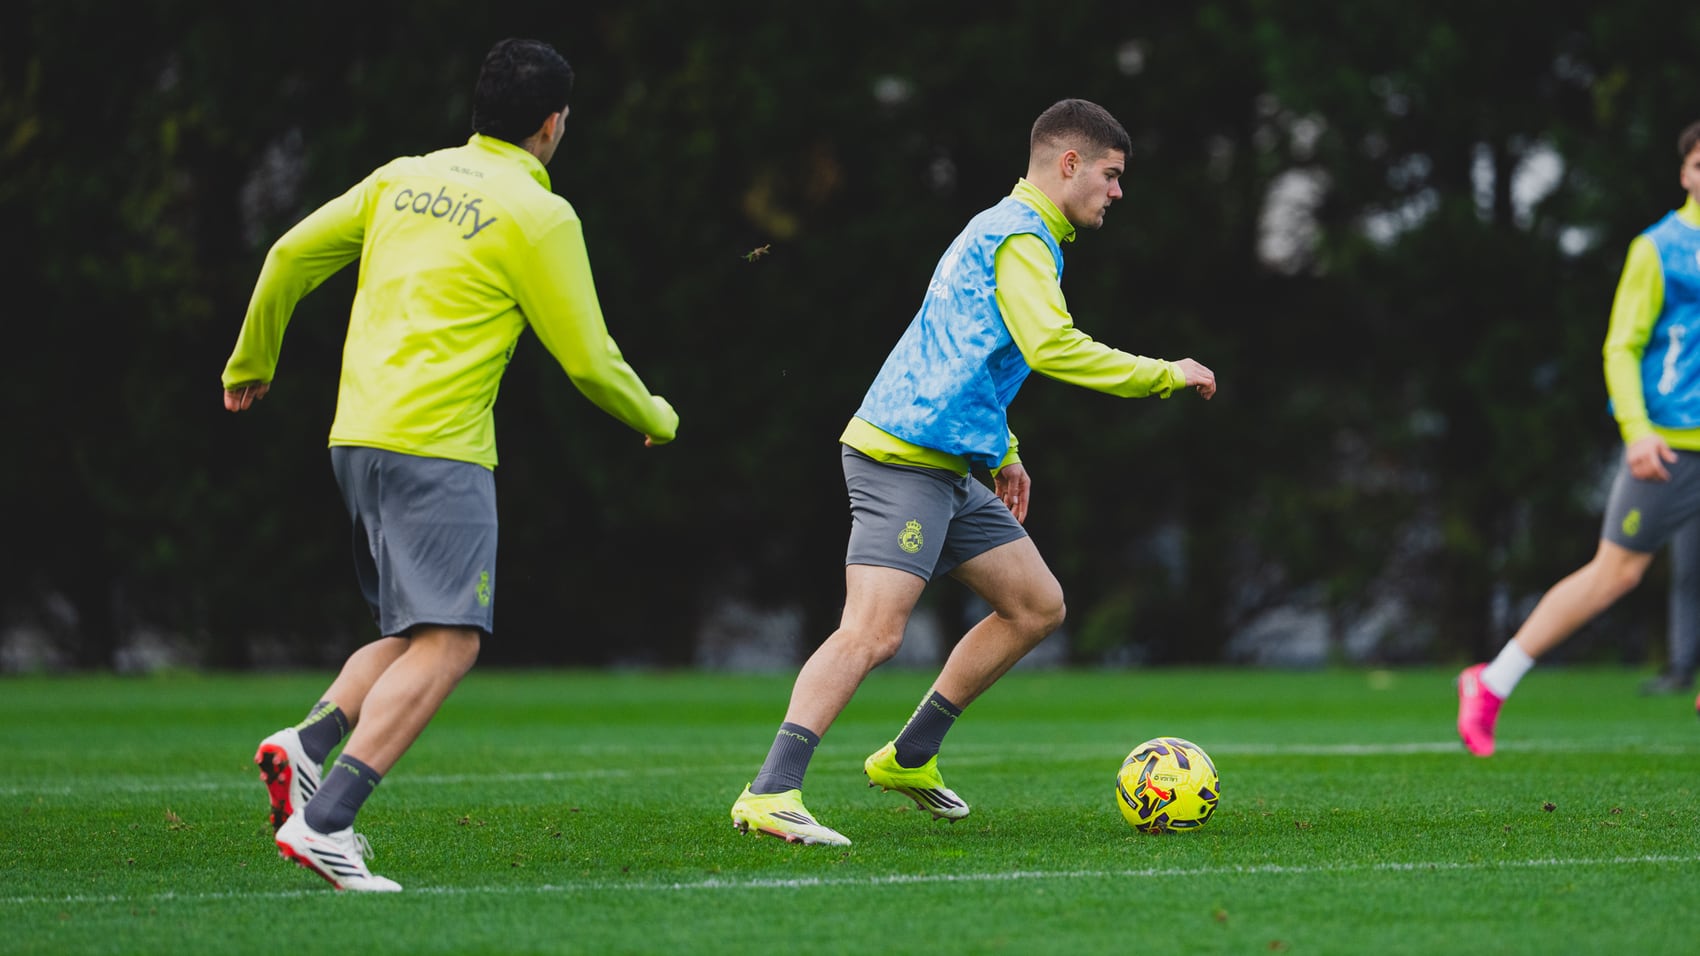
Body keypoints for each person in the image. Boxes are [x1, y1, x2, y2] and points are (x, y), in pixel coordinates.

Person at [222, 38, 678, 889]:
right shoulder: (540, 215)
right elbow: (589, 360)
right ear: (550, 126)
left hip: (356, 436)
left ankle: (307, 746)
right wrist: (656, 416)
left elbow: (287, 254)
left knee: (408, 635)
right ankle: (327, 822)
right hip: (439, 448)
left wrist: (252, 361)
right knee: (452, 643)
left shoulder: (402, 177)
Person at [728, 98, 1217, 845]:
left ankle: (910, 755)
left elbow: (963, 351)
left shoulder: (1005, 228)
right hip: (902, 458)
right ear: (1070, 164)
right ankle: (770, 791)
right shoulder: (1022, 237)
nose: (1118, 193)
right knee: (871, 632)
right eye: (1112, 176)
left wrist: (1004, 450)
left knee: (1036, 605)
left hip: (950, 462)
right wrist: (1164, 374)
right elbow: (1051, 345)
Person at [1458, 119, 1700, 755]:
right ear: (1686, 173)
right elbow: (1622, 346)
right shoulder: (1660, 248)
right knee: (1614, 575)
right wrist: (1637, 431)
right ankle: (1491, 682)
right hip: (1671, 444)